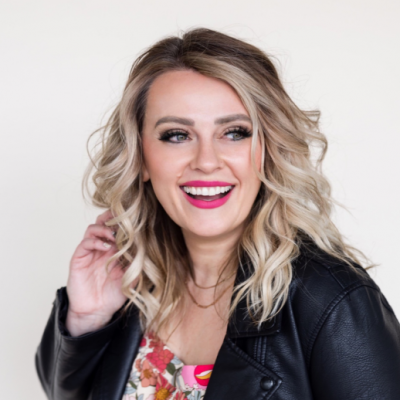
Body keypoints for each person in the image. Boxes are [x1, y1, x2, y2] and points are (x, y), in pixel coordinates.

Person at [35, 27, 400, 400]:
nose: (206, 162)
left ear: (268, 151)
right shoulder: (131, 281)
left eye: (235, 132)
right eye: (177, 135)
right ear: (141, 157)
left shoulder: (332, 301)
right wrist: (87, 319)